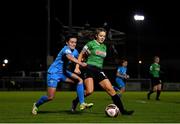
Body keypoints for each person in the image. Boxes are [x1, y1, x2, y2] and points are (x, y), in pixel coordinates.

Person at [71, 28, 134, 115]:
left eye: (104, 36)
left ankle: (123, 111)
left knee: (111, 90)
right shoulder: (90, 44)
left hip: (99, 70)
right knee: (89, 91)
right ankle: (75, 101)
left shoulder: (104, 46)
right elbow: (81, 54)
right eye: (100, 36)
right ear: (96, 36)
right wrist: (77, 67)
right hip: (89, 68)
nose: (102, 38)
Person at [32, 34, 93, 115]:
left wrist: (86, 54)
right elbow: (70, 58)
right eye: (71, 42)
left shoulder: (75, 51)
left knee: (79, 80)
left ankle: (82, 103)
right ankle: (36, 105)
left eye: (75, 42)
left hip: (64, 72)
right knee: (50, 97)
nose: (74, 44)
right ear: (67, 43)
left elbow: (80, 58)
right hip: (54, 73)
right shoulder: (65, 49)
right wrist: (80, 64)